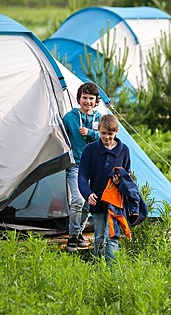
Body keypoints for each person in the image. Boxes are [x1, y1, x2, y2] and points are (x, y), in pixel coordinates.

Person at [78, 114, 131, 262]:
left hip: (115, 202)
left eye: (110, 134)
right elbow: (82, 176)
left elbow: (128, 176)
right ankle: (99, 267)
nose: (107, 137)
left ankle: (113, 271)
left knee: (112, 237)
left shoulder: (124, 150)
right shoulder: (90, 150)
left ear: (117, 132)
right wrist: (87, 193)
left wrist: (120, 182)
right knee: (99, 236)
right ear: (98, 130)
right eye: (103, 133)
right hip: (97, 200)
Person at [62, 82, 101, 253]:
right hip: (76, 166)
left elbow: (107, 137)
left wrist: (91, 133)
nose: (87, 101)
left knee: (88, 204)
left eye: (91, 98)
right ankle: (72, 236)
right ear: (79, 99)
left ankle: (78, 233)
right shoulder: (69, 117)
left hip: (94, 167)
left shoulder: (100, 118)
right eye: (84, 97)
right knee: (77, 200)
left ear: (96, 100)